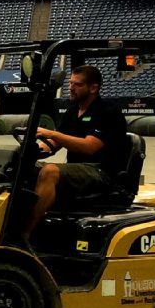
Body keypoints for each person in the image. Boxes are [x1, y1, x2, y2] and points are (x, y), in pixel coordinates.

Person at [24, 65, 130, 243]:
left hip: (101, 172)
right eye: (70, 83)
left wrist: (51, 133)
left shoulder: (107, 111)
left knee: (50, 172)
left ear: (93, 88)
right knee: (23, 169)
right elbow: (55, 143)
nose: (71, 88)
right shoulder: (72, 111)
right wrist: (34, 150)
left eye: (77, 84)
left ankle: (25, 233)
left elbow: (89, 146)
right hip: (77, 170)